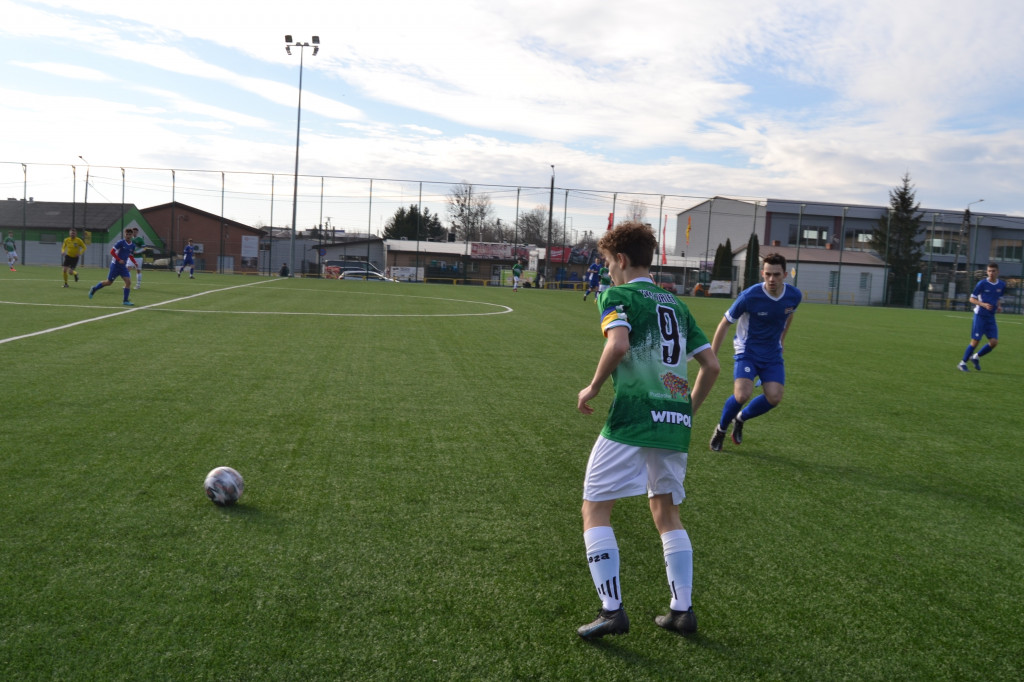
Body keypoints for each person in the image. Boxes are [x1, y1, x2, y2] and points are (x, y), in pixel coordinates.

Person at [575, 221, 720, 640]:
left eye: (608, 262)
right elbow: (711, 366)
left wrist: (593, 387)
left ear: (621, 260)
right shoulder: (677, 305)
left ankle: (611, 610)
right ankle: (681, 609)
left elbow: (618, 344)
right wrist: (685, 410)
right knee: (666, 511)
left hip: (633, 417)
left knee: (595, 508)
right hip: (674, 423)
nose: (608, 271)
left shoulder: (616, 295)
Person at [709, 253, 802, 452]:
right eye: (768, 274)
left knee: (774, 397)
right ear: (762, 273)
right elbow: (725, 323)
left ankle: (740, 418)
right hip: (748, 352)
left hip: (772, 354)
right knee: (742, 394)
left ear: (785, 275)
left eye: (776, 274)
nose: (771, 279)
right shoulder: (749, 296)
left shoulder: (794, 295)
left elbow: (789, 314)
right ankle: (721, 429)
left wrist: (782, 340)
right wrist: (712, 355)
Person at [959, 263, 1006, 371]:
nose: (991, 273)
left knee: (994, 342)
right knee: (976, 340)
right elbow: (971, 299)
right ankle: (962, 363)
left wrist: (999, 306)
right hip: (980, 316)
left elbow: (998, 298)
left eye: (993, 271)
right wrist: (983, 304)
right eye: (989, 271)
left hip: (991, 317)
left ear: (998, 272)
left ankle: (975, 357)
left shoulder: (1001, 285)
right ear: (987, 272)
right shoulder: (982, 284)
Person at [88, 228, 136, 306]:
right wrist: (119, 259)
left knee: (128, 282)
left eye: (130, 234)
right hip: (115, 266)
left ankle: (125, 301)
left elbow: (130, 255)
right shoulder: (121, 243)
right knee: (109, 282)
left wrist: (135, 263)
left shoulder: (133, 245)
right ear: (124, 235)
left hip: (123, 267)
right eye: (127, 234)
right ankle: (94, 289)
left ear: (132, 235)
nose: (128, 236)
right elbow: (112, 252)